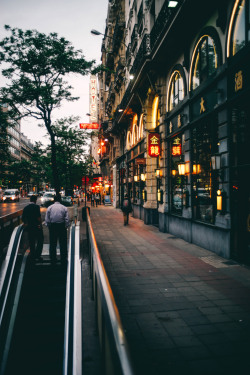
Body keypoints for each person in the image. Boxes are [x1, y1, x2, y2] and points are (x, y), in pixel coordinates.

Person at [45, 193, 70, 266]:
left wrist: (49, 226)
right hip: (61, 226)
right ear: (60, 200)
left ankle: (53, 258)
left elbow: (47, 219)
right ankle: (63, 258)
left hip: (53, 227)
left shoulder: (50, 207)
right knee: (63, 243)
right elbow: (67, 219)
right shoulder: (64, 207)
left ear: (54, 200)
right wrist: (66, 226)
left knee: (53, 243)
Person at [22, 194, 44, 262]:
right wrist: (40, 224)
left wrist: (26, 223)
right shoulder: (36, 207)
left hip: (30, 227)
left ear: (30, 200)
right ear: (35, 200)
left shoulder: (26, 208)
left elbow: (23, 218)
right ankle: (38, 255)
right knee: (40, 240)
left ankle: (33, 255)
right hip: (36, 226)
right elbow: (38, 217)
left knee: (32, 241)